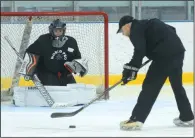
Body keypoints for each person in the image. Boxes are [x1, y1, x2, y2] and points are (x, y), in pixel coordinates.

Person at [117, 15, 194, 130]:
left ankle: (137, 119)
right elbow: (172, 30)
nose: (123, 34)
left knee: (150, 87)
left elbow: (139, 51)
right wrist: (158, 47)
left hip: (164, 56)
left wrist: (131, 69)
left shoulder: (135, 29)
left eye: (122, 31)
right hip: (178, 51)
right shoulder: (146, 24)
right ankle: (187, 117)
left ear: (127, 26)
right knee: (177, 86)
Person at [22, 19, 84, 86]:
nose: (58, 33)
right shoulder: (43, 40)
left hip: (65, 73)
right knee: (54, 90)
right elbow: (30, 53)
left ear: (64, 31)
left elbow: (77, 57)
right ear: (51, 30)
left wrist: (78, 67)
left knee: (73, 90)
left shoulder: (71, 41)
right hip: (46, 73)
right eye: (56, 31)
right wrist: (28, 71)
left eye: (60, 31)